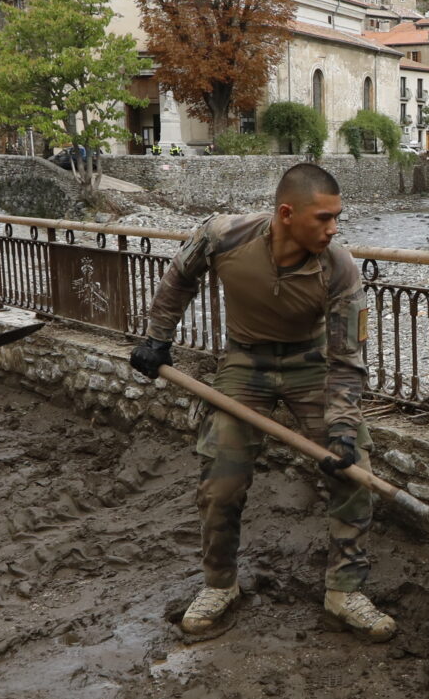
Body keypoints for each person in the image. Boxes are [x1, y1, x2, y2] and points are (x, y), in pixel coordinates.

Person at [129, 162, 393, 642]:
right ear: (287, 213)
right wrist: (157, 340)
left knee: (355, 476)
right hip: (244, 365)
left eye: (338, 217)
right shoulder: (225, 235)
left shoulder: (338, 266)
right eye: (324, 218)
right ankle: (220, 585)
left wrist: (341, 428)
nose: (334, 228)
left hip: (312, 366)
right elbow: (177, 279)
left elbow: (347, 358)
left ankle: (344, 591)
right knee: (220, 482)